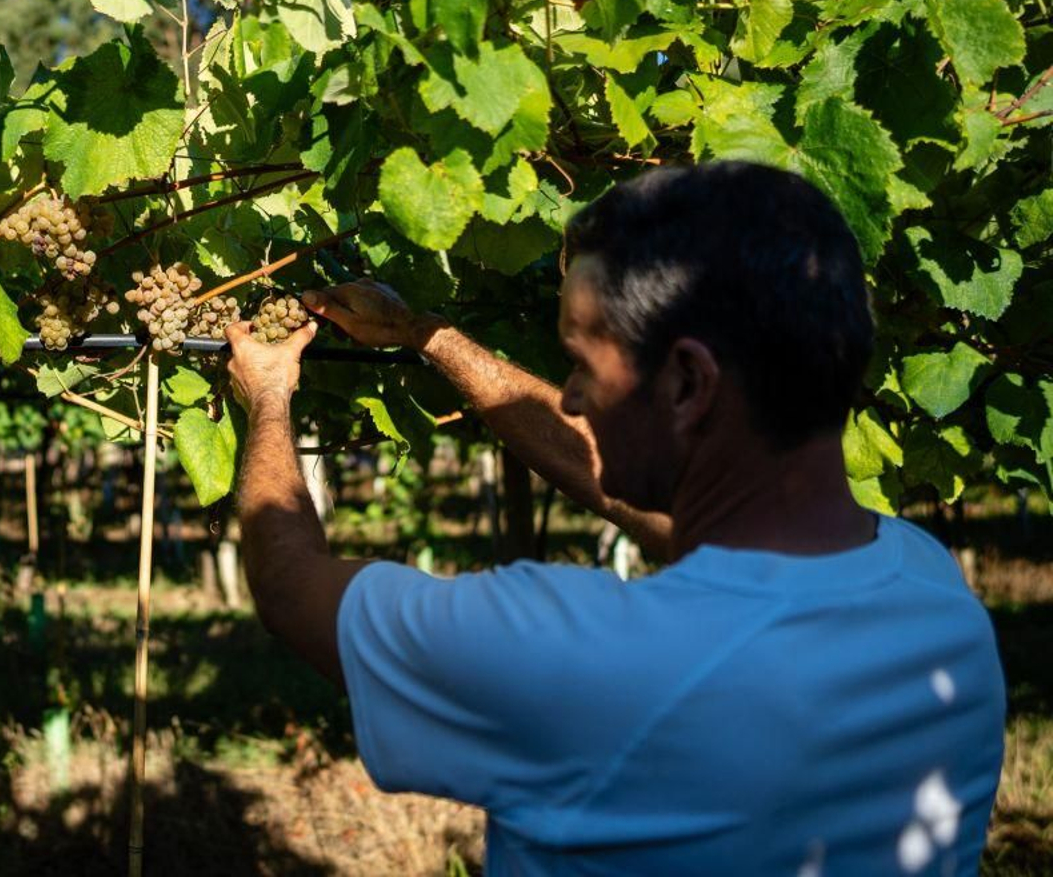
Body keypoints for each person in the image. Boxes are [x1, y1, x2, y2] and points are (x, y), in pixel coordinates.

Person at [222, 161, 1006, 876]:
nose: (568, 397)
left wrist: (267, 398)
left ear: (688, 384)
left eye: (580, 363)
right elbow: (638, 496)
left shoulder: (580, 658)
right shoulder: (938, 604)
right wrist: (429, 337)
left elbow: (293, 587)